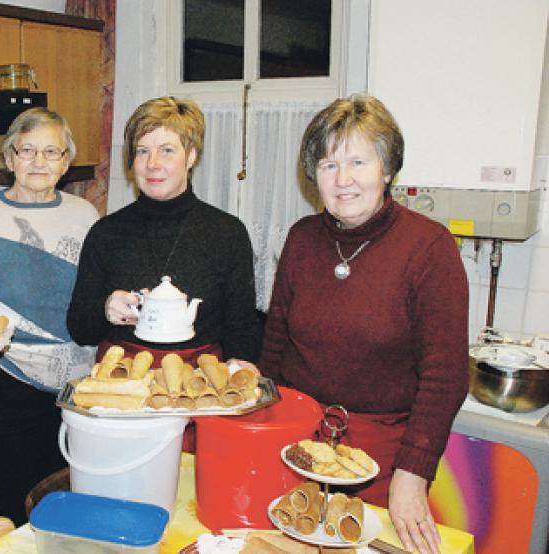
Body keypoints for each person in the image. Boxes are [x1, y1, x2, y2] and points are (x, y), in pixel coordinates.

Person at [258, 94, 468, 554]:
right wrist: (263, 428)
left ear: (387, 169)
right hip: (298, 447)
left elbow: (446, 376)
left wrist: (413, 475)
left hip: (382, 462)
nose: (343, 179)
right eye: (328, 165)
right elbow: (274, 346)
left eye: (358, 161)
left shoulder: (429, 247)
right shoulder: (301, 239)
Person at [0, 107, 99, 525]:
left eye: (51, 151)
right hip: (5, 385)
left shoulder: (86, 216)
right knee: (15, 512)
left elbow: (95, 299)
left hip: (77, 390)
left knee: (74, 504)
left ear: (65, 161)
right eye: (27, 150)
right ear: (9, 158)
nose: (39, 161)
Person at [67, 96, 262, 367]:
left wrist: (239, 369)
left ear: (191, 156)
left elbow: (242, 330)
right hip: (122, 379)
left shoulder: (228, 233)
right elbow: (79, 330)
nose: (153, 163)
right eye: (142, 151)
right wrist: (105, 308)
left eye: (167, 150)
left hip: (199, 379)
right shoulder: (105, 233)